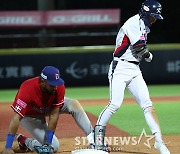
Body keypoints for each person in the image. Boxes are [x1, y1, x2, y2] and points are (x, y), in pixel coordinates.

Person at [93, 0, 170, 154]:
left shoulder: (145, 25)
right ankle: (98, 140)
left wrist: (145, 55)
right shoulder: (133, 22)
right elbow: (139, 47)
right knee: (114, 104)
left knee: (147, 105)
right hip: (120, 67)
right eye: (152, 17)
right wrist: (148, 55)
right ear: (145, 13)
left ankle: (159, 142)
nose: (154, 20)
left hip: (134, 69)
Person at [2, 66, 93, 154]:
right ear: (42, 81)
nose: (55, 87)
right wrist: (8, 147)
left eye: (56, 83)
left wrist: (47, 144)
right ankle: (25, 141)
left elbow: (54, 114)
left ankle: (94, 140)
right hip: (30, 115)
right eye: (52, 84)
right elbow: (16, 118)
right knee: (55, 146)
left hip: (47, 107)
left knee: (74, 104)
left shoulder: (58, 87)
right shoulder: (27, 89)